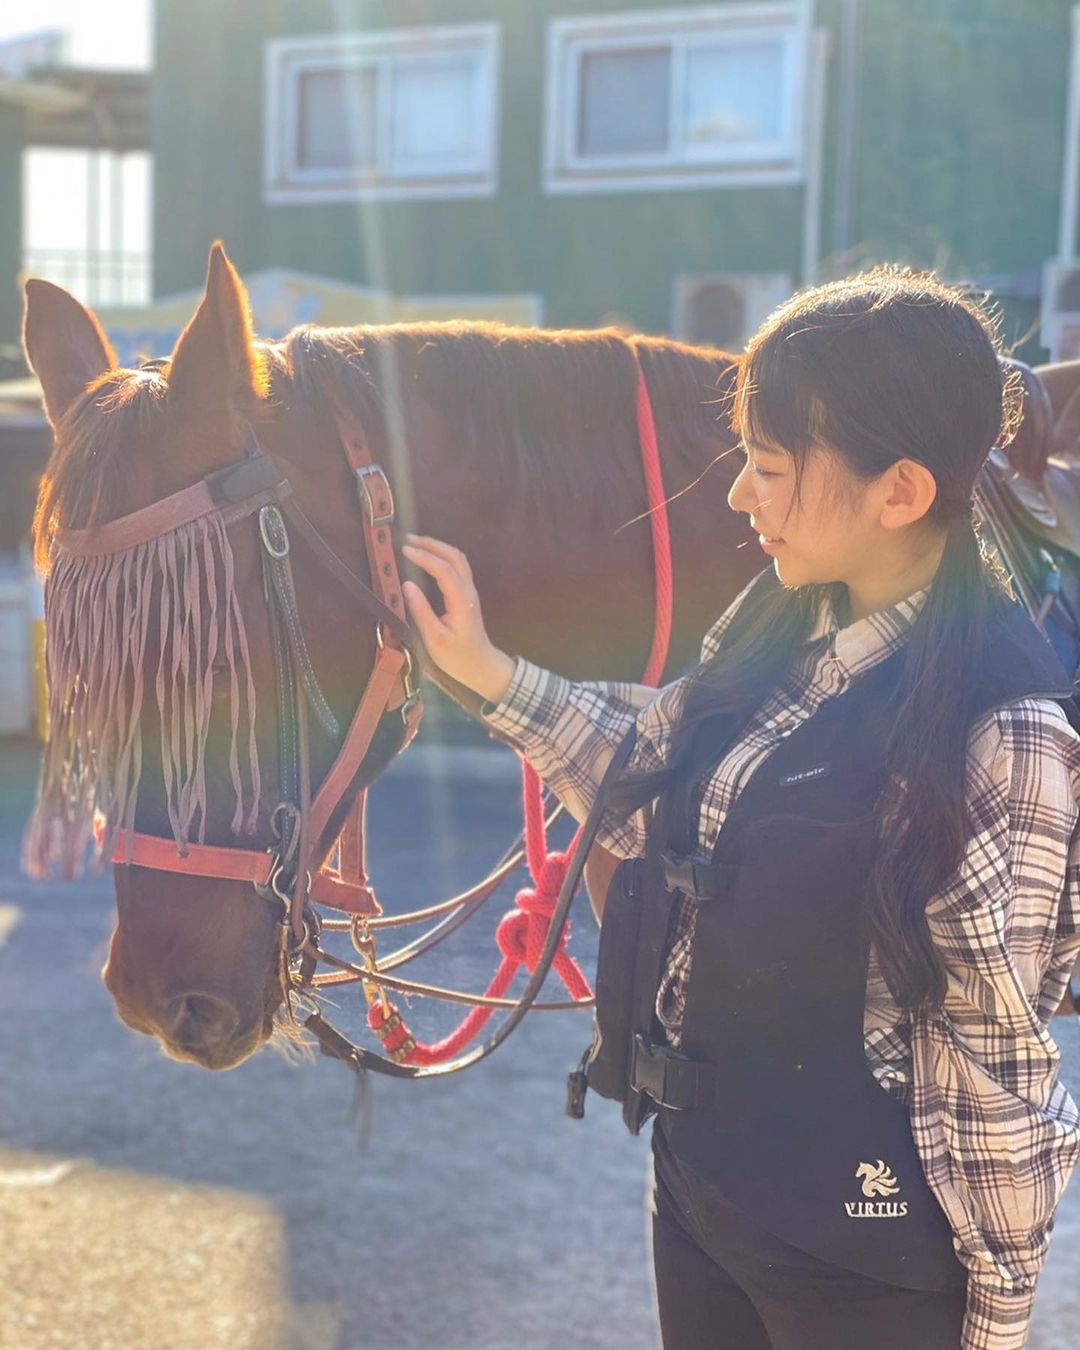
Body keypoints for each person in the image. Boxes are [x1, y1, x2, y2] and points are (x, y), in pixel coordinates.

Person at [399, 266, 1080, 1350]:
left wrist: (993, 1323)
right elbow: (649, 773)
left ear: (900, 492)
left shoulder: (1003, 735)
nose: (737, 498)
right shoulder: (780, 625)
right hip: (701, 1196)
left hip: (864, 1265)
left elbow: (992, 1059)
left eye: (768, 469)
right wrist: (484, 670)